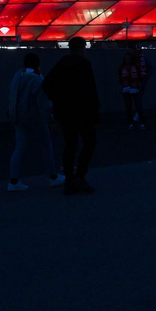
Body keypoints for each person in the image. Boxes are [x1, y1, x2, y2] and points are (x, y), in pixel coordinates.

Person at [43, 36, 100, 195]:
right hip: (83, 112)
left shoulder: (61, 64)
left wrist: (59, 100)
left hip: (65, 112)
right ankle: (80, 176)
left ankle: (69, 180)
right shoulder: (84, 64)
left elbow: (46, 85)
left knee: (70, 145)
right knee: (89, 142)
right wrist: (95, 114)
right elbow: (91, 91)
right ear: (82, 48)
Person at [6, 53, 64, 191]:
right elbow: (42, 103)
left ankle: (13, 181)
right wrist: (50, 119)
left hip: (18, 117)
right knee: (46, 146)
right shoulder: (37, 80)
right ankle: (53, 177)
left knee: (19, 147)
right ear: (38, 64)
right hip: (34, 117)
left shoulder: (17, 76)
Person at [119, 51, 147, 130]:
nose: (128, 60)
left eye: (129, 58)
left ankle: (141, 122)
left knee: (138, 106)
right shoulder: (122, 67)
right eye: (126, 58)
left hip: (134, 88)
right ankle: (131, 122)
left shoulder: (134, 67)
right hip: (127, 88)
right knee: (129, 107)